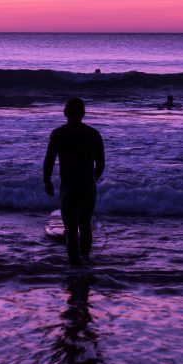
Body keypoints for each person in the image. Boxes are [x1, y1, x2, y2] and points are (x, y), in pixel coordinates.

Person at [43, 98, 105, 266]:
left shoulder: (58, 134)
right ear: (83, 114)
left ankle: (74, 269)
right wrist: (93, 179)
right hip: (87, 186)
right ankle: (85, 261)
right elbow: (101, 163)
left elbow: (49, 161)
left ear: (65, 113)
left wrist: (47, 181)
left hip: (68, 187)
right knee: (85, 226)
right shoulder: (93, 134)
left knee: (70, 231)